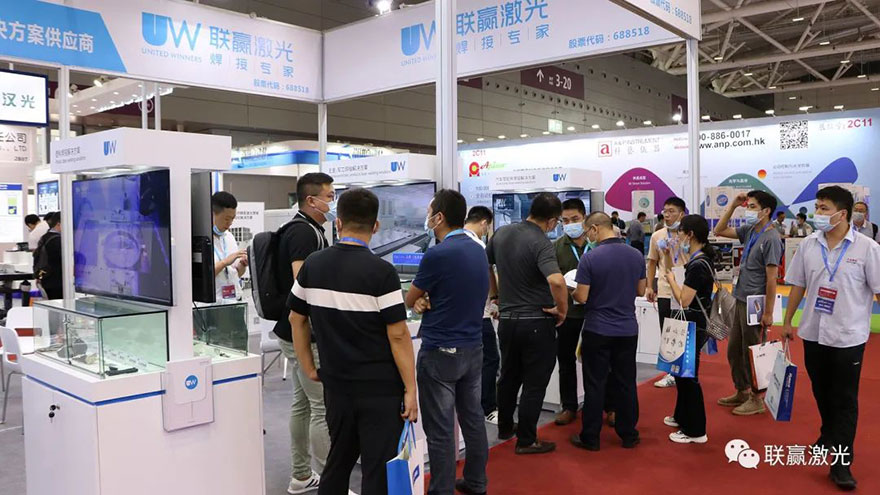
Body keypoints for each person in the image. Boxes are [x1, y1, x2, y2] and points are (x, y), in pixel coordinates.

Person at [289, 188, 417, 495]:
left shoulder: (313, 264)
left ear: (338, 222)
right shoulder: (382, 272)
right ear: (376, 226)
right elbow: (398, 334)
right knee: (378, 467)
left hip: (336, 383)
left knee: (339, 459)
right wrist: (411, 388)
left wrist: (308, 366)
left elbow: (296, 318)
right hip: (380, 388)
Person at [782, 186, 880, 491]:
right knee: (821, 391)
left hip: (848, 336)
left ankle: (841, 463)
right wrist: (788, 321)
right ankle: (828, 434)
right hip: (813, 332)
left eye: (824, 208)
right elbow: (798, 285)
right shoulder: (808, 245)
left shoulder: (867, 249)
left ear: (842, 213)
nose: (818, 213)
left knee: (845, 400)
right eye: (817, 207)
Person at [405, 190, 489, 495]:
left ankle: (441, 490)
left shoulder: (438, 254)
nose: (427, 218)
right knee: (473, 419)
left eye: (430, 212)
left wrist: (420, 300)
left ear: (439, 217)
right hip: (473, 347)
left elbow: (410, 298)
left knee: (440, 430)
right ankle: (477, 482)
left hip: (440, 351)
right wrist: (426, 299)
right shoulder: (478, 249)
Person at [486, 192, 568, 455]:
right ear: (552, 221)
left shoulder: (501, 233)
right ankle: (527, 439)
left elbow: (486, 265)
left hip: (508, 321)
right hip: (537, 321)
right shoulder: (541, 242)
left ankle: (505, 427)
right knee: (534, 381)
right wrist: (562, 310)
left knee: (508, 377)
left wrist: (495, 295)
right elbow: (556, 281)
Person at [274, 173, 335, 494]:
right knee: (321, 406)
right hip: (302, 332)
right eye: (330, 196)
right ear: (312, 200)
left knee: (303, 403)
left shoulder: (308, 229)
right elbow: (304, 285)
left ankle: (301, 475)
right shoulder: (302, 233)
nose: (333, 202)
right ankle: (331, 481)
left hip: (293, 329)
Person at [570, 212, 646, 451]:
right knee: (626, 383)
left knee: (595, 384)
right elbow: (641, 290)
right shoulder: (635, 255)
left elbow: (582, 296)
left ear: (594, 229)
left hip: (598, 329)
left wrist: (572, 292)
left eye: (587, 231)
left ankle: (591, 437)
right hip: (627, 329)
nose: (587, 236)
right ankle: (629, 434)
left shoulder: (590, 258)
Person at [713, 190, 782, 416]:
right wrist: (733, 205)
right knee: (734, 349)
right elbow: (719, 230)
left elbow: (772, 278)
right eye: (748, 206)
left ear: (766, 211)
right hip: (741, 297)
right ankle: (742, 390)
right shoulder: (751, 230)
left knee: (753, 351)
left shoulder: (771, 238)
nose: (748, 210)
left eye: (752, 207)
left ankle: (756, 398)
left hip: (756, 302)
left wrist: (768, 312)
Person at [661, 215, 715, 444]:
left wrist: (672, 280)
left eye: (680, 232)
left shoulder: (698, 265)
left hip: (692, 322)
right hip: (693, 322)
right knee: (681, 372)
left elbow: (684, 299)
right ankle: (682, 416)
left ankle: (695, 430)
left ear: (690, 234)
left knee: (688, 376)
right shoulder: (699, 259)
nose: (678, 237)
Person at [553, 199, 596, 426]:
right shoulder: (556, 247)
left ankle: (604, 405)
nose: (570, 224)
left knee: (597, 361)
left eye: (575, 219)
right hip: (567, 313)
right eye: (565, 221)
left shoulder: (596, 243)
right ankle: (569, 406)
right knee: (566, 360)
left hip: (595, 312)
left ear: (584, 217)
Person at [461, 206, 501, 424]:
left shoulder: (453, 242)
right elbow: (485, 278)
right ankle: (488, 408)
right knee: (490, 360)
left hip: (463, 316)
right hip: (480, 316)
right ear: (484, 223)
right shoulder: (478, 246)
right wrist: (494, 300)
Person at [646, 197, 688, 389]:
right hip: (664, 288)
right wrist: (649, 286)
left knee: (686, 330)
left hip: (686, 289)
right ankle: (672, 372)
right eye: (665, 211)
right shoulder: (658, 236)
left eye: (672, 211)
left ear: (681, 214)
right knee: (668, 331)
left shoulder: (688, 234)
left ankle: (686, 369)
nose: (667, 215)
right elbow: (652, 262)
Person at [211, 192, 248, 302]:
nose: (230, 223)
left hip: (233, 300)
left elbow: (236, 274)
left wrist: (243, 264)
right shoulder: (201, 240)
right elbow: (203, 278)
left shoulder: (229, 237)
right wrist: (224, 262)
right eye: (226, 219)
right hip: (212, 304)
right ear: (212, 214)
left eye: (233, 218)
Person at [34, 211, 62, 300]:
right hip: (56, 283)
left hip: (46, 279)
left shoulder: (45, 237)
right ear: (58, 224)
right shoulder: (57, 241)